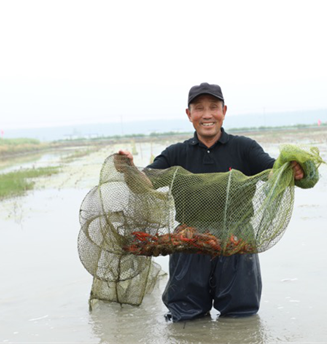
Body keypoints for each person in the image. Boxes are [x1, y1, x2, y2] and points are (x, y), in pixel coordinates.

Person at [117, 82, 312, 322]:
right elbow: (146, 183)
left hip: (237, 241)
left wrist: (294, 170)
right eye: (199, 108)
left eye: (213, 107)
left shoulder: (244, 148)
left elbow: (273, 173)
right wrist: (128, 169)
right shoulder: (176, 152)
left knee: (241, 317)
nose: (207, 114)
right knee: (185, 317)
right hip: (187, 241)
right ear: (189, 115)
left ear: (224, 111)